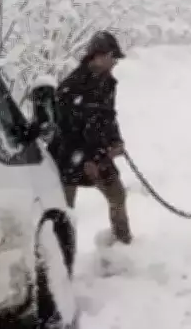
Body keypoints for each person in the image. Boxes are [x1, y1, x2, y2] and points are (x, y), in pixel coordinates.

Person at [50, 30, 132, 245]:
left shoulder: (108, 84)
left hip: (97, 153)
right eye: (112, 57)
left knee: (117, 195)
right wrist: (85, 159)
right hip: (67, 157)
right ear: (98, 56)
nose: (115, 62)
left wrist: (116, 141)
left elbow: (108, 117)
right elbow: (64, 130)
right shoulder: (70, 88)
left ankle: (122, 245)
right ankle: (60, 257)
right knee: (64, 212)